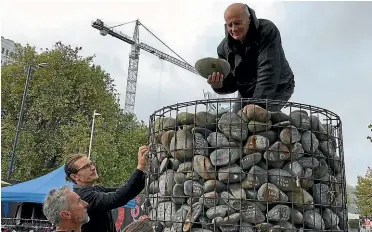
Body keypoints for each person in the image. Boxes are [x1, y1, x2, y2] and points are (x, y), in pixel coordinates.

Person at [202, 3, 295, 112]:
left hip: (279, 85)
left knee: (258, 122)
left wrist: (257, 103)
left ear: (249, 19)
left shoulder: (267, 30)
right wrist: (219, 85)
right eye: (229, 25)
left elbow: (268, 69)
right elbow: (233, 83)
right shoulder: (223, 49)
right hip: (246, 91)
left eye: (238, 23)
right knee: (235, 123)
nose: (234, 29)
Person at [64, 145, 149, 232]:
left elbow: (126, 191)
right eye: (86, 167)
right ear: (75, 176)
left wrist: (145, 173)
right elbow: (118, 197)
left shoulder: (95, 189)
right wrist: (140, 168)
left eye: (91, 164)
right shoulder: (83, 196)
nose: (93, 168)